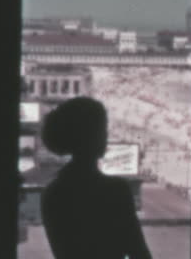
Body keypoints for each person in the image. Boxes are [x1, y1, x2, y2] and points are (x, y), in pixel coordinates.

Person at [41, 97, 152, 259]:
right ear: (89, 135)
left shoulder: (52, 192)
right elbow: (139, 253)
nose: (106, 136)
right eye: (103, 129)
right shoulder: (115, 190)